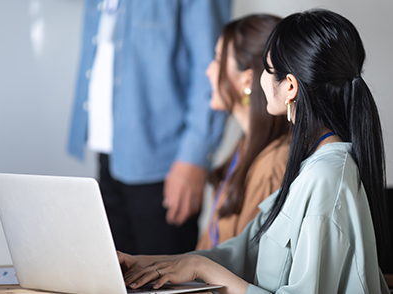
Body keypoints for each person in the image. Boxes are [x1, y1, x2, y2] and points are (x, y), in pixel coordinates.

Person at [117, 9, 390, 293]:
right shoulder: (310, 166)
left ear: (290, 87)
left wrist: (203, 269)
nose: (261, 79)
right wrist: (141, 263)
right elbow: (241, 253)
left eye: (267, 70)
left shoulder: (325, 178)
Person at [68, 0, 231, 254]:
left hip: (165, 165)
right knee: (117, 280)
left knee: (165, 284)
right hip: (108, 154)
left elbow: (212, 68)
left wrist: (194, 159)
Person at [196, 14, 290, 250]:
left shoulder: (274, 163)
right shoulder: (245, 147)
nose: (208, 71)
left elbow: (248, 265)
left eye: (217, 59)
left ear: (247, 79)